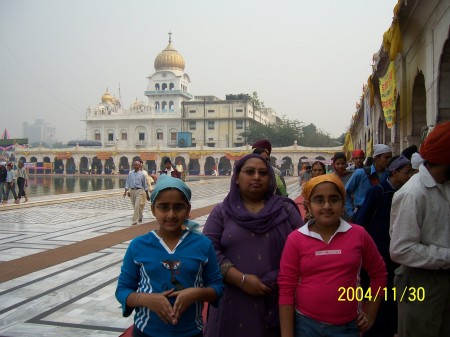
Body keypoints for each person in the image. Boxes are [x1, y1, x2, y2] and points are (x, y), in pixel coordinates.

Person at [203, 153, 303, 337]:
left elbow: (306, 249)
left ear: (270, 178)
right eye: (249, 172)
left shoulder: (285, 210)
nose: (257, 177)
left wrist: (276, 278)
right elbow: (208, 250)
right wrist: (241, 280)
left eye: (263, 173)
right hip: (232, 299)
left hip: (278, 298)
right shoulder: (222, 212)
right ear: (237, 178)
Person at [278, 174, 387, 337]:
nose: (327, 206)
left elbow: (379, 274)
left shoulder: (358, 234)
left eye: (334, 199)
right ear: (307, 205)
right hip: (306, 327)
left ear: (343, 204)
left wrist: (370, 313)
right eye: (319, 200)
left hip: (348, 328)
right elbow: (286, 288)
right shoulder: (296, 239)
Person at [116, 175, 224, 337]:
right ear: (153, 209)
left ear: (188, 210)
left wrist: (196, 293)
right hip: (146, 332)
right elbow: (123, 290)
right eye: (164, 207)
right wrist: (145, 299)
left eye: (178, 207)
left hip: (190, 332)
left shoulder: (202, 245)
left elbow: (217, 287)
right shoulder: (138, 246)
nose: (171, 214)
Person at [389, 121, 450, 337]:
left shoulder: (444, 186)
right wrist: (446, 256)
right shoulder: (412, 194)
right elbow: (401, 249)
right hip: (420, 282)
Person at [353, 155, 412, 337]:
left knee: (393, 298)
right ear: (394, 172)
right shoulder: (378, 192)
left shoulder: (403, 192)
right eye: (406, 172)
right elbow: (362, 221)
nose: (409, 176)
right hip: (378, 253)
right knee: (378, 296)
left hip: (395, 253)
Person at [344, 144, 392, 220]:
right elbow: (345, 192)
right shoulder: (360, 173)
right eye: (386, 157)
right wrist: (351, 213)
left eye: (390, 157)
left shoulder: (389, 175)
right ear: (376, 158)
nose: (389, 160)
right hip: (362, 214)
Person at [123, 161, 150, 225]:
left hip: (139, 191)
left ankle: (134, 220)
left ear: (139, 166)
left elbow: (145, 185)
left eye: (137, 165)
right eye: (135, 165)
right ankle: (140, 216)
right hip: (132, 191)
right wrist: (125, 191)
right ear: (133, 166)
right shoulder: (130, 173)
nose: (136, 166)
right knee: (134, 205)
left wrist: (147, 195)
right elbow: (128, 182)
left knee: (137, 205)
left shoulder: (142, 174)